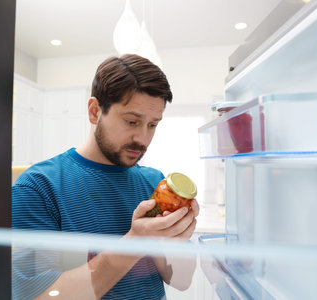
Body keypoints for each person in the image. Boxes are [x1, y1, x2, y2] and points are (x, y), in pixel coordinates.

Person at [12, 54, 200, 300]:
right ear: (94, 111)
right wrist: (134, 243)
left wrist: (174, 244)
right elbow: (38, 296)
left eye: (153, 125)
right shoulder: (38, 187)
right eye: (132, 121)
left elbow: (182, 281)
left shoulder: (156, 183)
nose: (143, 139)